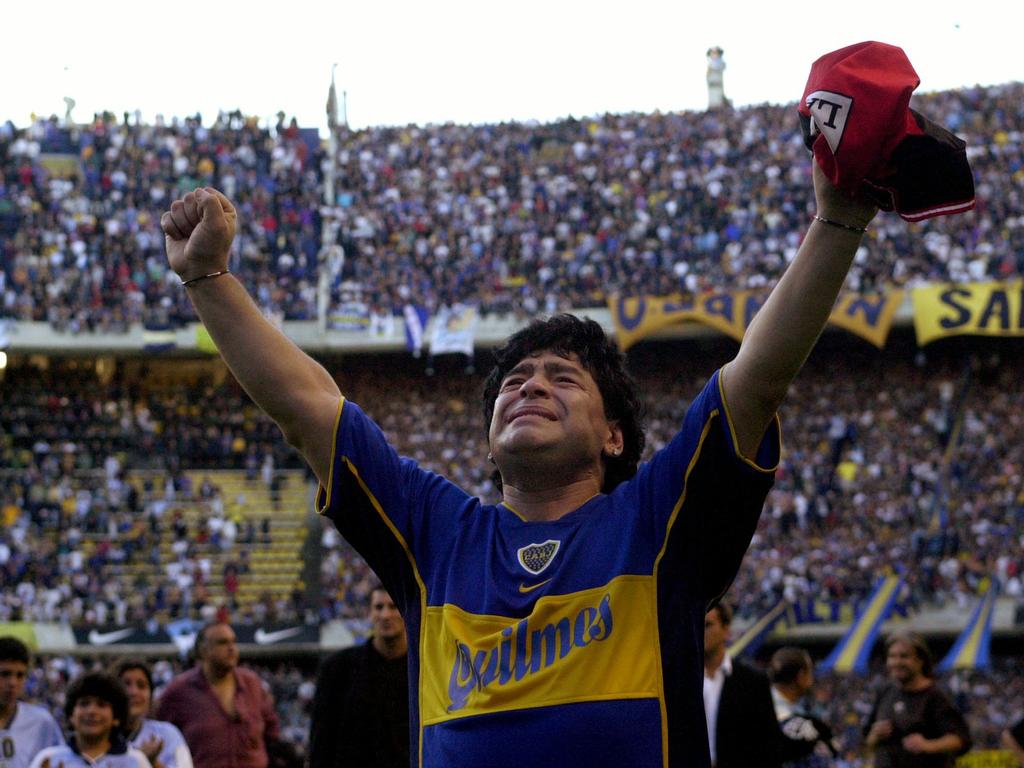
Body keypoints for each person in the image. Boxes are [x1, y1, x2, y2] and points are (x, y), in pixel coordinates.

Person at [161, 151, 877, 768]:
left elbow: (755, 379)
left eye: (562, 377)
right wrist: (210, 280)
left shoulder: (656, 524)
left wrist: (838, 222)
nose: (529, 384)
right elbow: (307, 409)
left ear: (614, 436)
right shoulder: (435, 535)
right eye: (514, 380)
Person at [154, 622, 282, 768]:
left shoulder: (252, 684)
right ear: (203, 650)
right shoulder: (178, 691)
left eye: (234, 642)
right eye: (222, 643)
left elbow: (272, 733)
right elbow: (159, 737)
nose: (231, 648)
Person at [308, 584, 409, 768]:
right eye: (379, 607)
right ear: (370, 613)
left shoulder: (423, 671)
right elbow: (321, 742)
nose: (386, 615)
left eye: (393, 606)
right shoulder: (337, 669)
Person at [863, 632, 971, 767]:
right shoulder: (885, 692)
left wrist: (928, 745)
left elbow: (961, 739)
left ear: (920, 661)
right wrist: (874, 736)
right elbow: (867, 742)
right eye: (892, 656)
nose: (897, 662)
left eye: (904, 656)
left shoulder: (935, 696)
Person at [702, 604, 781, 768]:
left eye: (707, 625)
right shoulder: (678, 681)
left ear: (726, 630)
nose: (700, 632)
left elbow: (768, 744)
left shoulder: (753, 681)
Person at [29, 671, 148, 768]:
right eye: (84, 704)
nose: (91, 711)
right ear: (71, 716)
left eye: (101, 705)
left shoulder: (135, 761)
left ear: (116, 718)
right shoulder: (49, 759)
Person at [113, 659, 193, 768]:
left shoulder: (167, 735)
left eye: (141, 686)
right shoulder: (97, 736)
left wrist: (153, 763)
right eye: (126, 684)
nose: (133, 692)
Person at [768, 647, 838, 767]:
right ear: (801, 677)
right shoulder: (792, 721)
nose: (812, 680)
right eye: (810, 672)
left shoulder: (796, 709)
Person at [0, 637, 63, 768]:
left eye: (20, 675)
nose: (13, 683)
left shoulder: (42, 722)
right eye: (5, 674)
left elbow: (61, 762)